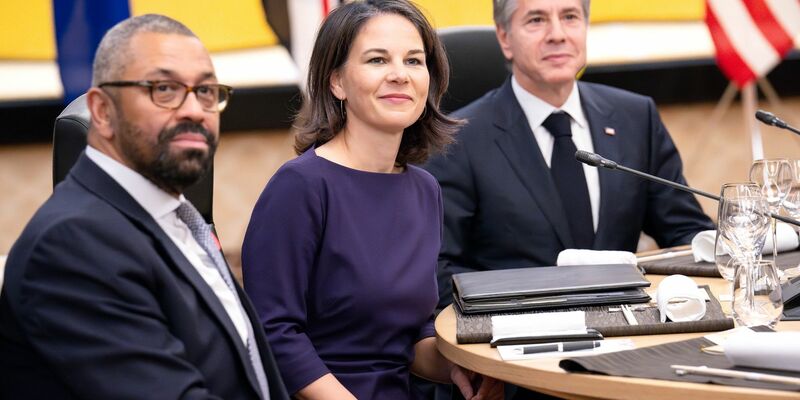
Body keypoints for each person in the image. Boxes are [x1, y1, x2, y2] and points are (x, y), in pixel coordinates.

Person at [0, 14, 288, 400]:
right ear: (102, 111)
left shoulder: (177, 217)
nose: (194, 109)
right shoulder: (73, 243)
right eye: (164, 89)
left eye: (205, 91)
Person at [241, 1, 503, 399]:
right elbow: (273, 333)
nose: (400, 75)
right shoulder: (300, 186)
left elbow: (408, 339)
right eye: (378, 60)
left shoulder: (424, 189)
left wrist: (461, 368)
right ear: (337, 83)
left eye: (414, 61)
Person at [423, 0, 714, 312]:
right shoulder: (458, 140)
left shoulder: (635, 117)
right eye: (536, 20)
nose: (557, 34)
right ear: (505, 37)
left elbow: (685, 233)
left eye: (570, 17)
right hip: (516, 336)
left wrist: (735, 247)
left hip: (627, 330)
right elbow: (440, 269)